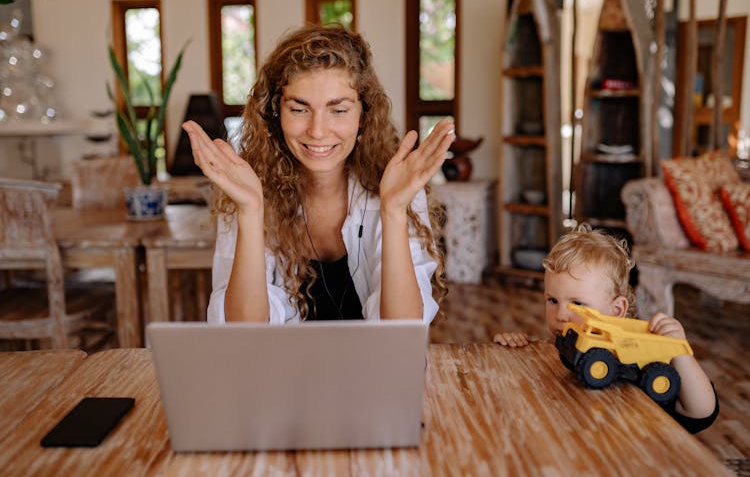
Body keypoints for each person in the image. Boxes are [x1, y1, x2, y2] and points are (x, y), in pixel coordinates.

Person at [182, 24, 449, 324]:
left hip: (374, 368)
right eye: (299, 109)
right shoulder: (249, 190)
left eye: (338, 110)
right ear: (275, 114)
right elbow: (245, 330)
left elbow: (403, 330)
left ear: (364, 115)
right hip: (282, 368)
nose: (318, 131)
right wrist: (250, 211)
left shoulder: (397, 187)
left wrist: (394, 211)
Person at [493, 224, 719, 434]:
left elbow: (702, 413)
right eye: (552, 300)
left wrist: (679, 352)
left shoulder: (639, 357)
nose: (561, 315)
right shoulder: (568, 344)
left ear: (616, 309)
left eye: (578, 304)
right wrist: (517, 344)